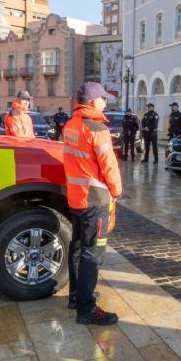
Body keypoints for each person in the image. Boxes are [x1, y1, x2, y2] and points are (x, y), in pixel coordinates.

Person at [63, 82, 122, 325]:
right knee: (92, 253)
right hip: (95, 199)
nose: (105, 103)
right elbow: (109, 165)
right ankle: (86, 309)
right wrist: (117, 190)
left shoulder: (70, 125)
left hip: (76, 197)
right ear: (94, 102)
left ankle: (77, 296)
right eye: (103, 99)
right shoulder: (97, 128)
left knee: (77, 247)